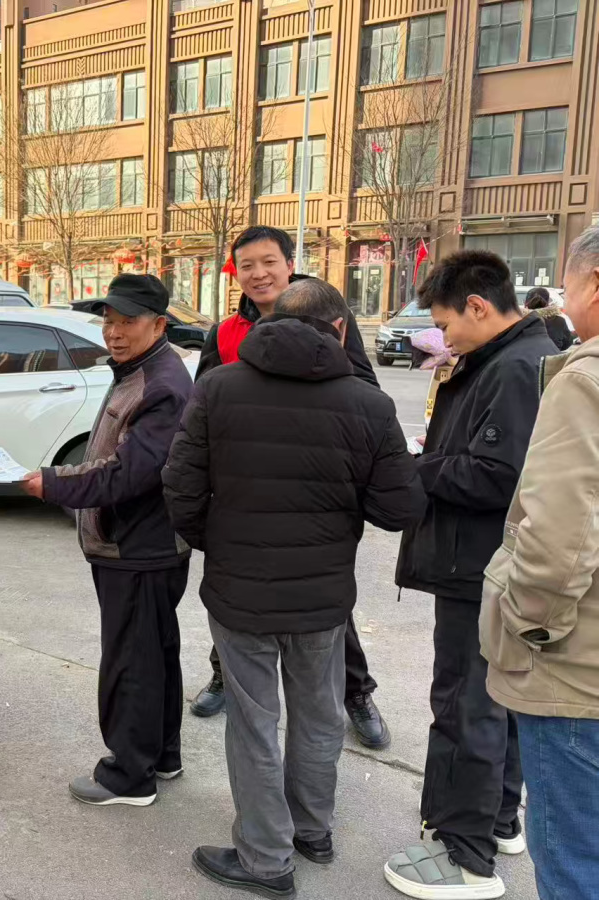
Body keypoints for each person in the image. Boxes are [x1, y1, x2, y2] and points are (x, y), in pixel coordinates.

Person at [163, 280, 425, 899]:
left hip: (239, 590)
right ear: (340, 330)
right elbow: (399, 509)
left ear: (272, 320)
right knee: (319, 714)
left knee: (253, 722)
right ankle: (311, 830)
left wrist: (219, 542)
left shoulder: (218, 387)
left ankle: (265, 858)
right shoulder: (368, 403)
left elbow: (180, 487)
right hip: (322, 595)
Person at [383, 250, 557, 900]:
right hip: (485, 563)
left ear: (478, 307)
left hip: (476, 565)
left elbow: (498, 476)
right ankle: (497, 818)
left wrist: (416, 467)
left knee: (465, 705)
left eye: (445, 324)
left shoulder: (512, 369)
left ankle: (465, 856)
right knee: (492, 703)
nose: (443, 337)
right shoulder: (508, 358)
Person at [189, 226, 390, 754]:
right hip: (248, 489)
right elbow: (198, 411)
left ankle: (357, 692)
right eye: (247, 265)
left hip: (316, 489)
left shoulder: (329, 315)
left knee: (326, 611)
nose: (259, 274)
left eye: (269, 262)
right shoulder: (226, 332)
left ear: (288, 262)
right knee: (237, 603)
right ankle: (224, 677)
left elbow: (365, 389)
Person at [24, 274, 192, 807]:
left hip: (139, 546)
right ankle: (160, 755)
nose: (114, 332)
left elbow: (127, 474)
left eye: (127, 322)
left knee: (131, 663)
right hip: (139, 544)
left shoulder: (162, 385)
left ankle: (129, 776)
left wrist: (51, 483)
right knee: (153, 655)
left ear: (159, 325)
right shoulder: (139, 370)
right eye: (109, 321)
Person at [479, 224, 599, 900]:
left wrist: (529, 625)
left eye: (568, 284)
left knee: (577, 863)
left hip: (579, 674)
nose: (563, 299)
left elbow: (558, 539)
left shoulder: (585, 379)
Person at [523, 286, 573, 351]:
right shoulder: (559, 321)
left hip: (526, 356)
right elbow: (567, 342)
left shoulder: (520, 321)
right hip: (553, 356)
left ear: (525, 303)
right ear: (548, 302)